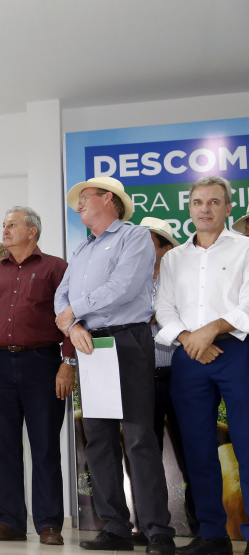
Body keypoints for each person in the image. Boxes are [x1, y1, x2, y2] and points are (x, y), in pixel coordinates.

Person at [55, 176, 175, 555]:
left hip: (127, 340)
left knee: (139, 437)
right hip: (90, 344)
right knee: (99, 439)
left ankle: (157, 530)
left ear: (108, 198)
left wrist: (74, 312)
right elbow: (61, 295)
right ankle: (116, 527)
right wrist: (73, 326)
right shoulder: (81, 249)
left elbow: (123, 286)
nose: (79, 204)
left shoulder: (134, 237)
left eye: (85, 197)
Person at [155, 176, 249, 555]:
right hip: (190, 356)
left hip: (238, 352)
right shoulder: (174, 258)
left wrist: (210, 330)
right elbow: (163, 308)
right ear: (189, 208)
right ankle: (212, 535)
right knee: (197, 447)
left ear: (228, 208)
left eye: (214, 202)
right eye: (198, 202)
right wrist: (188, 338)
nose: (205, 209)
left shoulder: (245, 249)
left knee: (247, 444)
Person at [0, 207, 72, 546]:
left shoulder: (56, 267)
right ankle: (10, 521)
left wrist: (68, 362)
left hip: (42, 363)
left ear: (32, 231)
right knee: (3, 447)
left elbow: (70, 316)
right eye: (4, 225)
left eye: (12, 225)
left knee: (44, 446)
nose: (5, 230)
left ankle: (49, 524)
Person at [135, 217, 198, 543]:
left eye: (149, 242)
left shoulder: (183, 281)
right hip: (142, 379)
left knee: (192, 452)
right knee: (144, 455)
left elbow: (190, 321)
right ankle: (150, 528)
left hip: (180, 376)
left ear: (166, 248)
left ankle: (202, 528)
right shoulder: (131, 280)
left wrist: (158, 315)